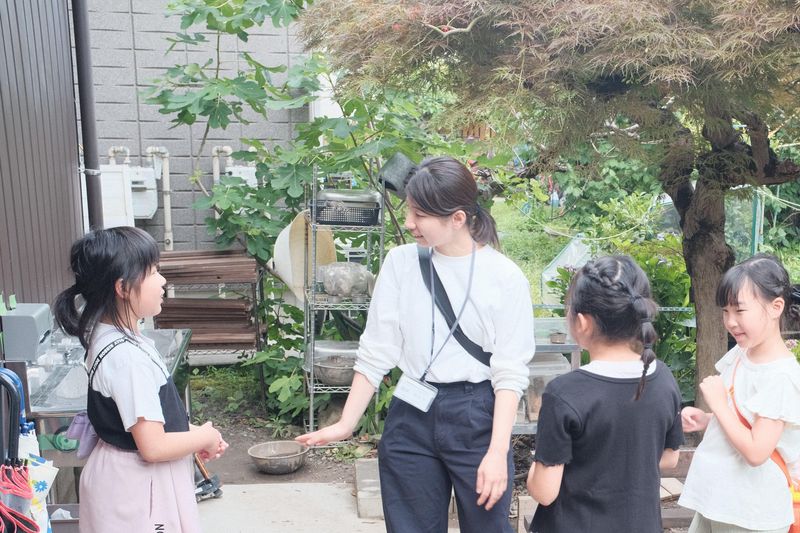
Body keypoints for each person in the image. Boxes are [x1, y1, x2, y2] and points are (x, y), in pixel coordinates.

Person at [297, 156, 536, 533]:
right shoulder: (400, 263)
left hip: (476, 414)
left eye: (420, 215)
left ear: (457, 218)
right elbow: (377, 351)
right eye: (409, 210)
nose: (409, 222)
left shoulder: (504, 278)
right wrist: (346, 422)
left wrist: (496, 451)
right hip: (411, 411)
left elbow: (509, 373)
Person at [53, 227, 227, 533]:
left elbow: (145, 423)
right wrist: (205, 437)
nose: (163, 281)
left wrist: (197, 434)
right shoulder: (128, 359)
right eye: (153, 272)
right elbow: (154, 446)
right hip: (139, 489)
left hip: (126, 479)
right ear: (123, 287)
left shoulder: (110, 337)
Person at [526, 255, 684, 533]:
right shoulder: (662, 378)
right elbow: (669, 458)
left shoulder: (564, 393)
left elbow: (544, 491)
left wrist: (535, 465)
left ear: (583, 322)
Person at [679, 254, 800, 532]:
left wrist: (719, 406)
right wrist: (707, 419)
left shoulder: (781, 376)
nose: (730, 321)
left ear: (776, 307)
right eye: (725, 311)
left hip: (751, 513)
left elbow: (757, 451)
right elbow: (743, 418)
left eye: (740, 310)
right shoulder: (741, 354)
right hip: (716, 499)